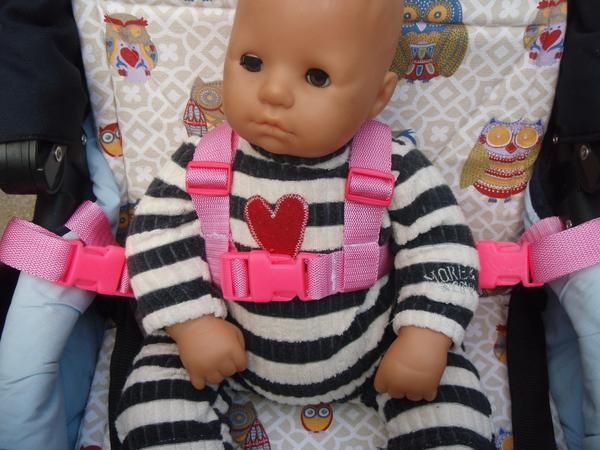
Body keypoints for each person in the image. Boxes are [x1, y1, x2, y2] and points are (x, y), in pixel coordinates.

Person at [116, 0, 494, 448]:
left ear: (377, 96)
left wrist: (424, 336)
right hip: (223, 350)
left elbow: (444, 246)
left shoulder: (391, 167)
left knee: (449, 401)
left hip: (375, 352)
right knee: (152, 405)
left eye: (316, 76)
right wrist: (191, 323)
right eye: (252, 63)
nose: (274, 92)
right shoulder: (203, 164)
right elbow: (155, 237)